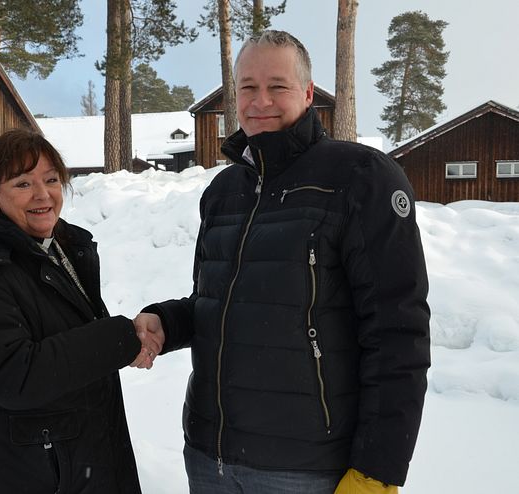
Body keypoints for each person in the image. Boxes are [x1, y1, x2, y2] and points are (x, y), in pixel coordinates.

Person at [135, 30, 430, 493]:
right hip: (209, 458)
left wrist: (377, 470)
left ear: (308, 93)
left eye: (278, 86)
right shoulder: (224, 192)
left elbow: (397, 332)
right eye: (248, 87)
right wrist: (167, 322)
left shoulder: (359, 179)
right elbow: (220, 303)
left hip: (306, 469)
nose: (260, 101)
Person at [0, 128, 162, 494]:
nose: (43, 194)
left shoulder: (61, 250)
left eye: (51, 179)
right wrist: (121, 338)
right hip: (28, 473)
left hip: (79, 464)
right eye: (23, 184)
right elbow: (15, 377)